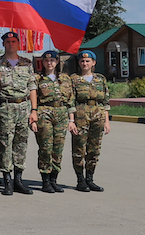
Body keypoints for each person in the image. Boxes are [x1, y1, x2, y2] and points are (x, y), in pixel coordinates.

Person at [0, 31, 37, 195]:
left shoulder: (27, 63)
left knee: (21, 144)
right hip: (6, 108)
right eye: (7, 41)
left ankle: (18, 179)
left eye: (13, 41)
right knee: (5, 144)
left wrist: (34, 111)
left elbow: (32, 88)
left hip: (23, 107)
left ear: (18, 43)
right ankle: (7, 180)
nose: (11, 44)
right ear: (3, 44)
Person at [68, 50, 109, 192]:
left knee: (94, 149)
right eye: (82, 61)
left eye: (88, 61)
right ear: (79, 63)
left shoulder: (100, 79)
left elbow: (105, 102)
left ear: (94, 63)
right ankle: (80, 180)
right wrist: (71, 121)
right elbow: (70, 101)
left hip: (98, 115)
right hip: (80, 115)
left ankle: (90, 179)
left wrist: (107, 121)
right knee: (79, 148)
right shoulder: (73, 79)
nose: (85, 63)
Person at [33, 50, 72, 193]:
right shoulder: (37, 78)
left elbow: (70, 100)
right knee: (45, 148)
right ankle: (45, 180)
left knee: (58, 149)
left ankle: (54, 179)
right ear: (42, 62)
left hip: (61, 114)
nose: (49, 63)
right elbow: (33, 99)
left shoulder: (65, 79)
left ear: (57, 62)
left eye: (52, 60)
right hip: (44, 113)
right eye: (46, 61)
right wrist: (34, 117)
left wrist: (71, 119)